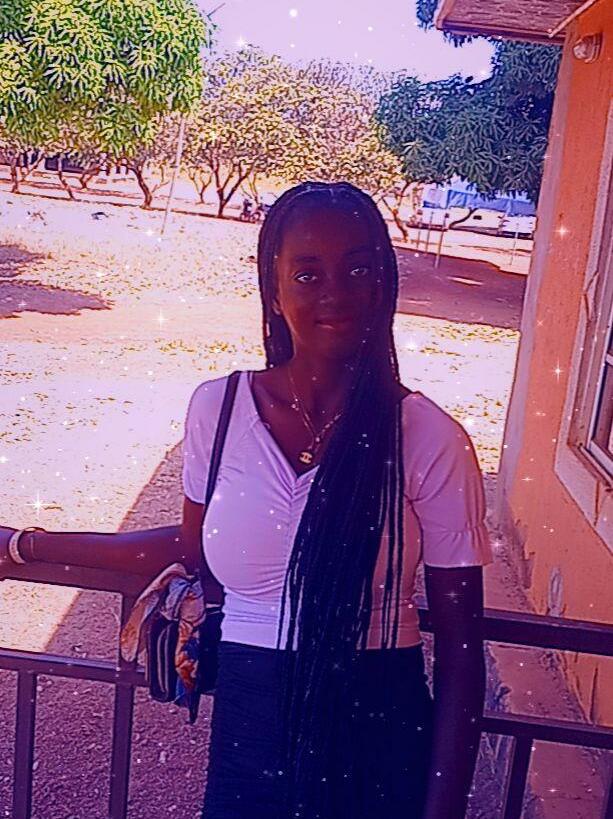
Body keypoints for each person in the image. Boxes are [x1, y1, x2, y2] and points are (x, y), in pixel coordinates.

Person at [1, 180, 494, 819]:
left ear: (383, 285)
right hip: (248, 731)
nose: (336, 292)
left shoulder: (429, 438)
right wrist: (27, 545)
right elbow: (193, 549)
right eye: (308, 274)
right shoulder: (220, 409)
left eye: (357, 269)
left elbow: (461, 649)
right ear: (274, 290)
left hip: (377, 733)